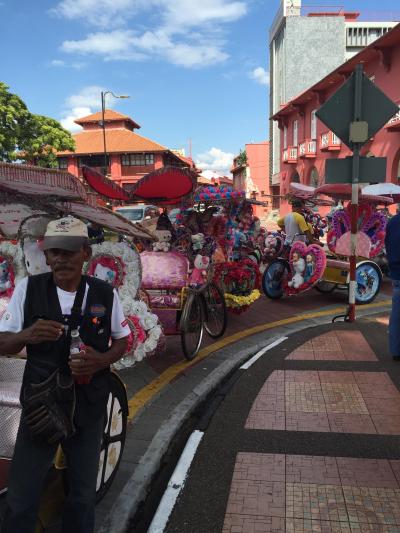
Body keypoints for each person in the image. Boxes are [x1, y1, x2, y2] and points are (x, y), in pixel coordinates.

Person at [0, 216, 129, 533]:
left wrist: (100, 360)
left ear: (85, 252)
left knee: (83, 496)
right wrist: (27, 335)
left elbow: (122, 340)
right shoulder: (28, 290)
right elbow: (2, 341)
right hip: (41, 407)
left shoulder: (104, 294)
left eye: (69, 251)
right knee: (21, 496)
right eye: (54, 251)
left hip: (88, 406)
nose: (60, 258)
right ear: (45, 255)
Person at [385, 213, 400, 361]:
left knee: (397, 314)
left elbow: (387, 244)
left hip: (396, 273)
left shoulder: (392, 222)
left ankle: (396, 350)